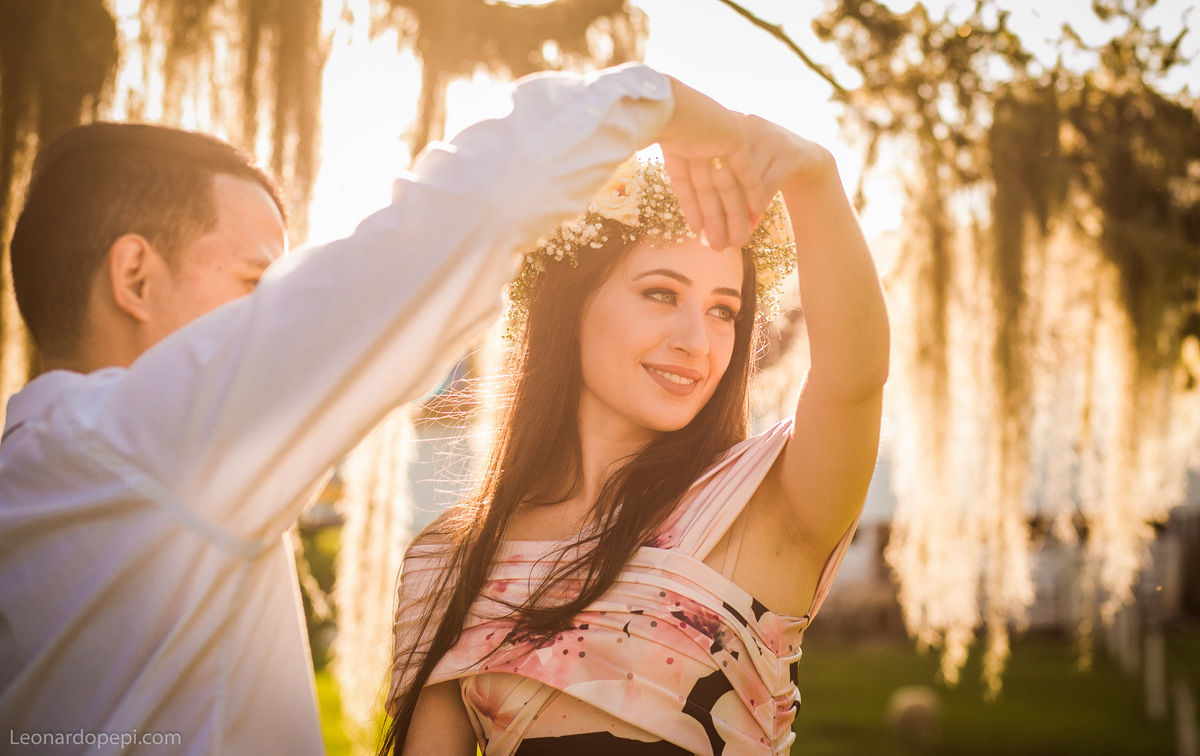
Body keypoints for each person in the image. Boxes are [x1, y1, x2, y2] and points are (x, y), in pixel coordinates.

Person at [0, 64, 766, 754]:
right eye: (254, 284)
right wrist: (661, 105)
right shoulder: (153, 446)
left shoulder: (32, 476)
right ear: (134, 277)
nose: (274, 314)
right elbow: (460, 222)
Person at [385, 116, 890, 755]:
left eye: (722, 310)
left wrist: (812, 173)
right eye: (660, 293)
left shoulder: (767, 506)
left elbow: (855, 378)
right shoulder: (449, 560)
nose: (696, 341)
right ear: (570, 304)